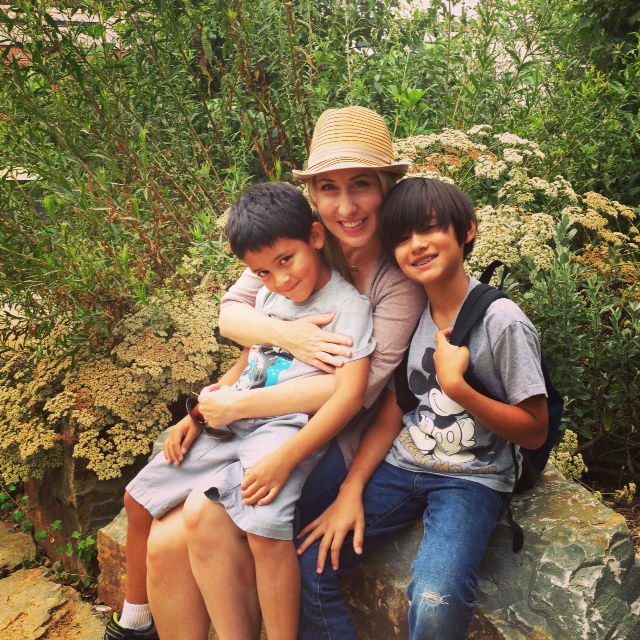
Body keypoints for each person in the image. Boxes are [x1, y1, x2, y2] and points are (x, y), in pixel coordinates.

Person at [143, 106, 427, 640]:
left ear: (387, 187)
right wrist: (213, 404)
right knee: (162, 541)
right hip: (256, 425)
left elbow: (355, 393)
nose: (347, 207)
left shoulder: (398, 278)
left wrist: (234, 406)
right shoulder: (293, 243)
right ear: (313, 198)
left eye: (362, 185)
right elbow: (237, 319)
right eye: (329, 188)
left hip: (328, 440)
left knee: (203, 519)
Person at [103, 181, 375, 640]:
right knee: (138, 497)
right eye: (263, 272)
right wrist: (196, 413)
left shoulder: (348, 307)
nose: (280, 279)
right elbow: (250, 360)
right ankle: (135, 619)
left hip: (282, 430)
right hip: (234, 420)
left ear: (315, 237)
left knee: (264, 529)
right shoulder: (269, 297)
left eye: (285, 261)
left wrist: (286, 459)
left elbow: (349, 395)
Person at [296, 177, 549, 640]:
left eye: (430, 229)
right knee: (311, 561)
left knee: (436, 596)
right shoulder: (416, 311)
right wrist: (351, 489)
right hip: (402, 465)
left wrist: (458, 388)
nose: (416, 245)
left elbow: (535, 430)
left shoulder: (503, 322)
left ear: (467, 230)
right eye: (401, 238)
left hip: (472, 480)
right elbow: (394, 408)